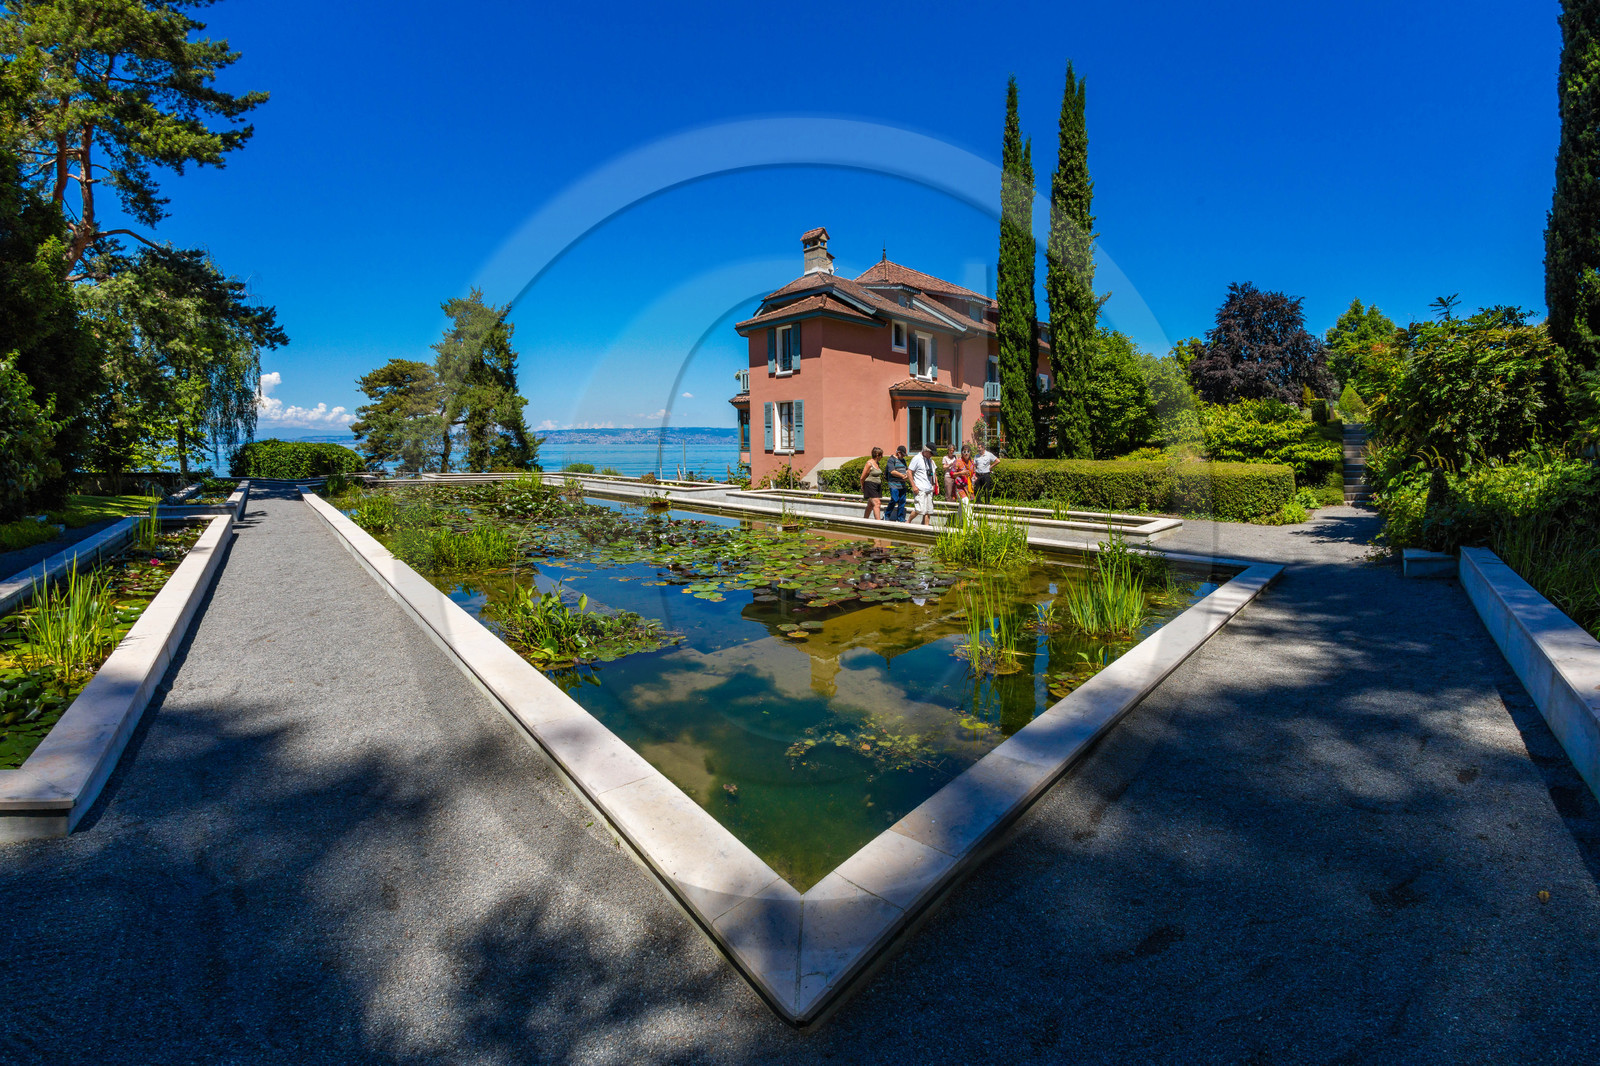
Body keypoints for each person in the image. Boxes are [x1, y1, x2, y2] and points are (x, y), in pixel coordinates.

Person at [909, 445, 938, 526]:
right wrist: (913, 486)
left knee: (929, 511)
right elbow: (909, 472)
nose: (931, 455)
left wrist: (934, 484)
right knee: (919, 509)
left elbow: (932, 474)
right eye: (931, 453)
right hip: (920, 488)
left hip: (928, 489)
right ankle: (908, 521)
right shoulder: (917, 458)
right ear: (926, 451)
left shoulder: (930, 461)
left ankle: (926, 526)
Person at [884, 445, 910, 521]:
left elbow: (906, 470)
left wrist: (907, 475)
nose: (903, 456)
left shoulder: (903, 460)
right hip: (894, 484)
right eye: (902, 454)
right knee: (894, 499)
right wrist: (902, 476)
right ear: (898, 452)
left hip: (902, 485)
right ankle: (887, 514)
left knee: (902, 501)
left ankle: (900, 517)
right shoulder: (891, 460)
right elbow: (892, 471)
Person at [860, 447, 885, 520]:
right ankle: (878, 523)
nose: (882, 457)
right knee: (877, 503)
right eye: (881, 455)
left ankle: (865, 520)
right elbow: (862, 477)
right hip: (870, 485)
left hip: (876, 486)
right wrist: (862, 486)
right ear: (877, 455)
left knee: (870, 505)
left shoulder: (877, 463)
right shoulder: (869, 463)